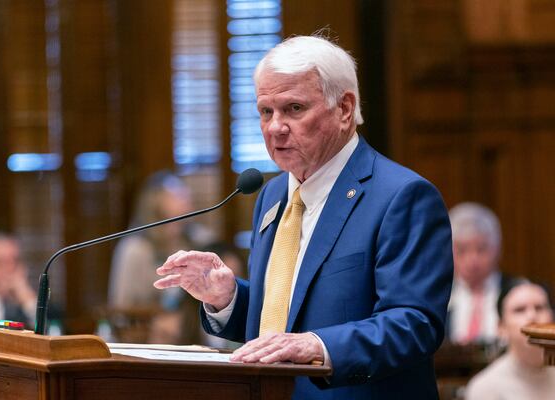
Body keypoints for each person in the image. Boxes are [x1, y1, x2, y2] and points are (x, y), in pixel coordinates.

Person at [155, 35, 453, 399]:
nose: (275, 127)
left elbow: (414, 323)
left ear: (344, 109)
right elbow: (284, 318)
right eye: (266, 111)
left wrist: (318, 346)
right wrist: (228, 297)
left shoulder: (401, 196)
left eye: (294, 108)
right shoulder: (271, 195)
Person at [108, 171, 214, 343]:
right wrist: (161, 315)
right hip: (143, 334)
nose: (186, 197)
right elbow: (121, 307)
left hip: (192, 332)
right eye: (177, 193)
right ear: (156, 200)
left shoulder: (199, 240)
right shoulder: (135, 248)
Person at [465, 278, 555, 399]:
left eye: (539, 308)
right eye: (520, 310)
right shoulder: (485, 388)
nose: (532, 316)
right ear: (501, 327)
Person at [446, 202, 506, 344]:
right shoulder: (437, 296)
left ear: (497, 249)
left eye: (481, 249)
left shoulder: (519, 291)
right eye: (462, 250)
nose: (472, 260)